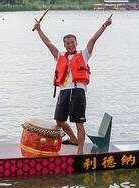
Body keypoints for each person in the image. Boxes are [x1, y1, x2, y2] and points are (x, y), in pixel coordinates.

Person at [33, 13, 113, 153]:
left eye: (72, 42)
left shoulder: (83, 54)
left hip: (78, 91)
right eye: (68, 43)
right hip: (64, 91)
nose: (70, 45)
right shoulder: (59, 56)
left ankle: (80, 150)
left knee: (79, 123)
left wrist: (104, 26)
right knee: (59, 120)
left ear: (76, 43)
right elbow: (48, 43)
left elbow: (93, 40)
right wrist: (39, 29)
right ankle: (73, 139)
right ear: (64, 44)